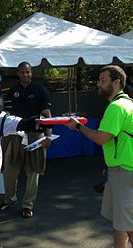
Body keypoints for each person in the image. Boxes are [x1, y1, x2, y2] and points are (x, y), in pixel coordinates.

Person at [65, 65, 133, 248]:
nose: (98, 84)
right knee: (120, 222)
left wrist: (78, 126)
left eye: (103, 80)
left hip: (125, 172)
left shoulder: (117, 107)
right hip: (119, 170)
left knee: (128, 223)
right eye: (99, 80)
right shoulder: (127, 103)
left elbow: (101, 138)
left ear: (117, 82)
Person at [0, 61, 52, 218]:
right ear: (18, 74)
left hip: (35, 137)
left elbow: (47, 114)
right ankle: (9, 199)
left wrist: (48, 136)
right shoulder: (11, 92)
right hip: (14, 136)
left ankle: (28, 205)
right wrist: (2, 138)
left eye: (28, 72)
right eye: (22, 72)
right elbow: (5, 117)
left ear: (31, 73)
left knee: (33, 172)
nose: (25, 75)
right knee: (9, 170)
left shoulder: (40, 90)